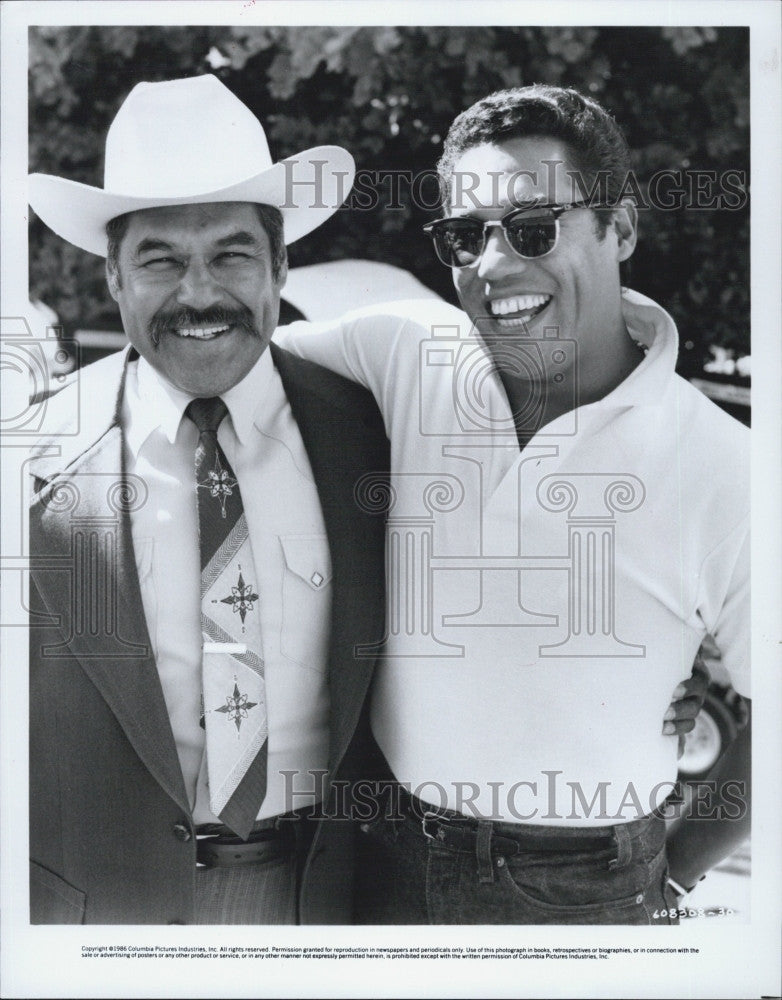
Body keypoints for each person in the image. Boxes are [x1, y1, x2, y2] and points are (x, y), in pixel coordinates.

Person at [276, 84, 750, 924]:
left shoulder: (728, 468)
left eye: (534, 229)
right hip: (379, 857)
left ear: (623, 228)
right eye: (465, 236)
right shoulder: (402, 350)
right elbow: (232, 359)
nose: (492, 266)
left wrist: (673, 870)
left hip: (583, 889)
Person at [26, 74, 390, 925]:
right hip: (94, 921)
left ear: (279, 265)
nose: (198, 293)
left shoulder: (372, 438)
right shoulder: (27, 455)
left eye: (230, 253)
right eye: (159, 260)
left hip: (322, 907)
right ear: (113, 279)